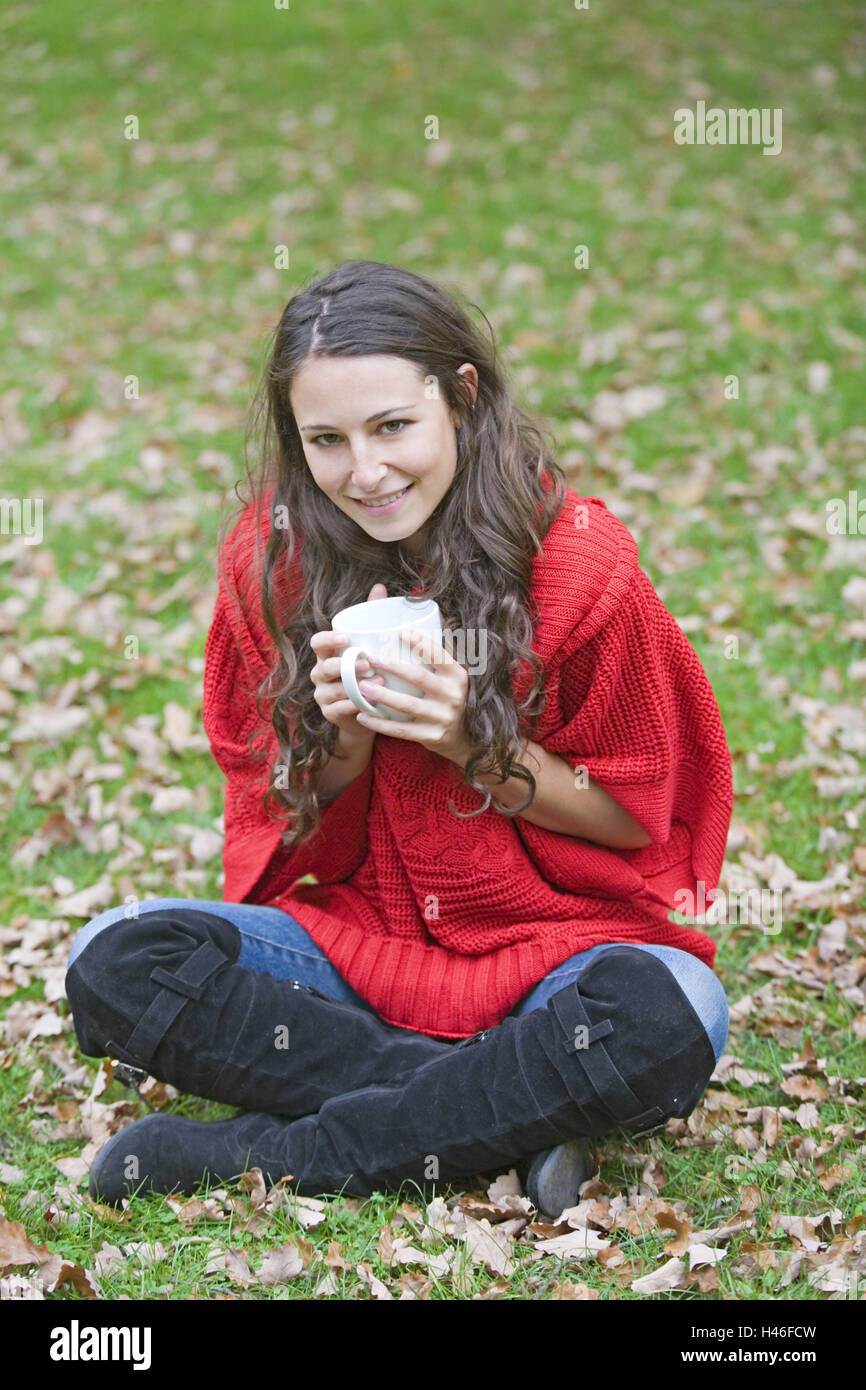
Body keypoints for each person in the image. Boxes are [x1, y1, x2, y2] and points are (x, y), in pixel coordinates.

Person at [65, 260, 733, 1218]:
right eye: (326, 441)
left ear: (461, 397)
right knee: (114, 957)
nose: (365, 473)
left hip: (557, 955)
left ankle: (266, 1151)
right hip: (359, 952)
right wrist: (343, 738)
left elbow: (635, 817)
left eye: (392, 428)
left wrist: (471, 743)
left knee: (675, 1015)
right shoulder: (275, 563)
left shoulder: (580, 564)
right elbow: (280, 824)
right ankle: (497, 1106)